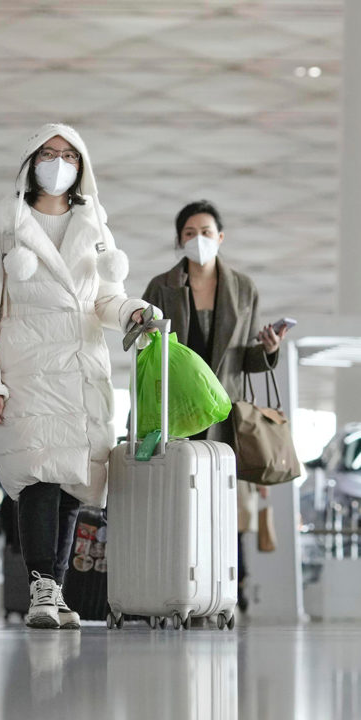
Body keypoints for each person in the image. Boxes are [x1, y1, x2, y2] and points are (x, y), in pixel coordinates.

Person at [0, 123, 154, 630]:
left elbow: (104, 298)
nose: (58, 162)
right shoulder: (6, 223)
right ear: (30, 161)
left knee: (74, 486)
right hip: (23, 369)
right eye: (48, 153)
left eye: (68, 155)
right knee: (36, 478)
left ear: (81, 166)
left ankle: (58, 590)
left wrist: (133, 311)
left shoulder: (94, 224)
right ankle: (41, 587)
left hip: (80, 370)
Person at [142, 199, 287, 613]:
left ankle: (232, 589)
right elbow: (146, 351)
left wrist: (270, 350)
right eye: (189, 234)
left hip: (226, 412)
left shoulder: (243, 288)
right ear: (179, 240)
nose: (198, 240)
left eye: (206, 232)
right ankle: (180, 587)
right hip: (177, 410)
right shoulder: (161, 287)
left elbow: (247, 358)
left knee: (228, 504)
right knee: (179, 503)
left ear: (220, 238)